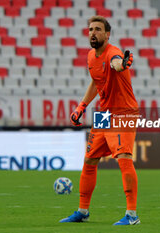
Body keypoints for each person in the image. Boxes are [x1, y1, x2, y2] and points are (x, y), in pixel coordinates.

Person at [59, 15, 140, 225]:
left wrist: (123, 64)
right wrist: (81, 106)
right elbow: (96, 82)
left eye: (97, 29)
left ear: (107, 34)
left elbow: (117, 65)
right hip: (104, 114)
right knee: (89, 160)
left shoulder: (113, 53)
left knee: (123, 158)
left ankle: (132, 215)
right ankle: (82, 211)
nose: (92, 33)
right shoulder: (90, 56)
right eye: (90, 29)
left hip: (123, 112)